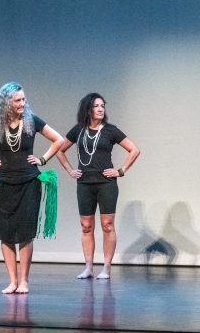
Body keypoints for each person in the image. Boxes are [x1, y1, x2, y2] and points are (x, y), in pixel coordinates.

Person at [0, 82, 64, 294]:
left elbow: (58, 139)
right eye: (18, 100)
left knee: (24, 233)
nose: (23, 103)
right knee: (5, 234)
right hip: (3, 183)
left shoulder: (31, 120)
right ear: (7, 102)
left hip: (28, 183)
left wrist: (42, 159)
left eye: (24, 99)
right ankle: (12, 281)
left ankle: (24, 281)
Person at [56, 93, 140, 280]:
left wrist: (121, 170)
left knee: (107, 225)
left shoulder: (110, 130)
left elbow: (134, 150)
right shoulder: (78, 130)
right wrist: (70, 170)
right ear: (88, 109)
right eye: (96, 106)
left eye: (103, 105)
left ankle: (107, 268)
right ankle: (88, 268)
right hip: (84, 183)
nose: (101, 109)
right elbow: (60, 150)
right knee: (86, 226)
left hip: (106, 183)